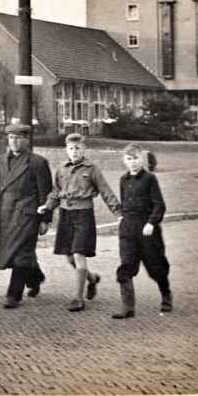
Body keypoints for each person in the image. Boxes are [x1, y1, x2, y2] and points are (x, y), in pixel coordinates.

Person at [37, 133, 122, 312]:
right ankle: (91, 278)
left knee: (78, 254)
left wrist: (118, 212)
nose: (74, 151)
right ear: (66, 150)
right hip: (65, 215)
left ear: (84, 150)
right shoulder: (61, 169)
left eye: (78, 148)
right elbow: (55, 192)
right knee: (69, 256)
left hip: (84, 214)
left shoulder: (92, 169)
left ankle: (78, 298)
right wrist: (47, 206)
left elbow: (106, 191)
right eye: (71, 148)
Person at [0, 124, 52, 309]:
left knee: (22, 254)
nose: (14, 142)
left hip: (28, 216)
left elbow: (45, 193)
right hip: (6, 215)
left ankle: (13, 295)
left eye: (18, 138)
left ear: (26, 140)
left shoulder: (37, 162)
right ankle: (36, 278)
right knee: (16, 252)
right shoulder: (0, 161)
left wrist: (45, 219)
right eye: (10, 138)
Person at [112, 143, 171, 319]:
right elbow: (124, 203)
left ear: (141, 159)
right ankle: (128, 306)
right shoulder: (123, 180)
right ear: (124, 161)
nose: (133, 162)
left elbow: (159, 205)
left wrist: (151, 223)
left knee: (156, 266)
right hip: (128, 230)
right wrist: (121, 217)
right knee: (126, 265)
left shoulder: (150, 179)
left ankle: (166, 295)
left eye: (136, 158)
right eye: (129, 159)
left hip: (147, 230)